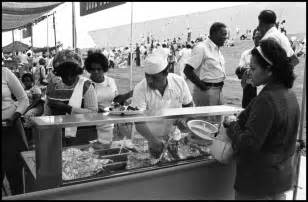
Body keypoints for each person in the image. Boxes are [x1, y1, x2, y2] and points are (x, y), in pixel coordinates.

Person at [223, 38, 300, 200]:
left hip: (257, 185)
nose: (249, 72)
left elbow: (247, 145)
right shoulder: (289, 95)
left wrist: (231, 125)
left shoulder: (266, 100)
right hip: (280, 180)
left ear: (269, 70)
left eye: (253, 68)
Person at [131, 53, 193, 158]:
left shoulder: (179, 82)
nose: (149, 81)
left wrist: (184, 120)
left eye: (154, 78)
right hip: (145, 138)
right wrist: (152, 140)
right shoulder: (140, 89)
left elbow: (189, 106)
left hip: (172, 137)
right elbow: (139, 122)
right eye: (147, 76)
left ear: (166, 73)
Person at [44, 49, 98, 146]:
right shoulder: (52, 86)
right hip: (56, 133)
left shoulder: (85, 85)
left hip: (82, 134)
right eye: (65, 75)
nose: (69, 78)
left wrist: (67, 108)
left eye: (72, 74)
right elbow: (47, 113)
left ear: (78, 71)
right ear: (58, 73)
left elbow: (93, 113)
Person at [183, 22, 228, 124]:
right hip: (207, 91)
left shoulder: (217, 49)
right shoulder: (201, 48)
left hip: (218, 90)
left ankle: (211, 139)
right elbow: (187, 70)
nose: (226, 37)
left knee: (216, 122)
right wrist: (203, 88)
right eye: (223, 34)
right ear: (214, 33)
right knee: (205, 123)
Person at [2, 67, 30, 195]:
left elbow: (24, 99)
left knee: (14, 171)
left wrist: (14, 117)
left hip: (10, 127)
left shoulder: (5, 73)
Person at [84, 52, 118, 145]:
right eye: (93, 69)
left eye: (99, 69)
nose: (96, 72)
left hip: (111, 122)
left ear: (104, 69)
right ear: (89, 69)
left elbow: (115, 99)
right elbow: (84, 106)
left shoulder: (111, 81)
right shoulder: (85, 84)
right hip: (93, 126)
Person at [235, 28, 262, 108]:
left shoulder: (270, 56)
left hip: (263, 91)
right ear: (253, 38)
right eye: (257, 37)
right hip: (248, 90)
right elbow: (238, 72)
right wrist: (248, 70)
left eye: (262, 37)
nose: (260, 40)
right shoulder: (246, 54)